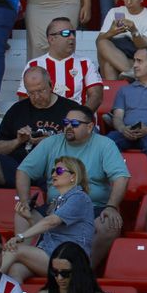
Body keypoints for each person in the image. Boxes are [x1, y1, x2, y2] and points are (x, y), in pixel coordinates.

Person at [14, 106, 128, 266]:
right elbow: (23, 171)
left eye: (74, 123)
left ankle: (85, 269)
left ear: (89, 127)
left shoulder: (105, 144)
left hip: (92, 208)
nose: (68, 126)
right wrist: (25, 201)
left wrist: (112, 206)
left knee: (109, 223)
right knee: (21, 214)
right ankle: (24, 261)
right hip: (56, 206)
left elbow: (121, 177)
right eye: (66, 122)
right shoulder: (51, 142)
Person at [0, 151, 94, 279]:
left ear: (73, 176)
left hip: (70, 260)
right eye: (53, 171)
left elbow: (51, 222)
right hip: (52, 254)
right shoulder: (59, 201)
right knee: (16, 270)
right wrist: (29, 217)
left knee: (14, 250)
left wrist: (21, 236)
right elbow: (47, 230)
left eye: (59, 171)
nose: (54, 174)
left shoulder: (79, 197)